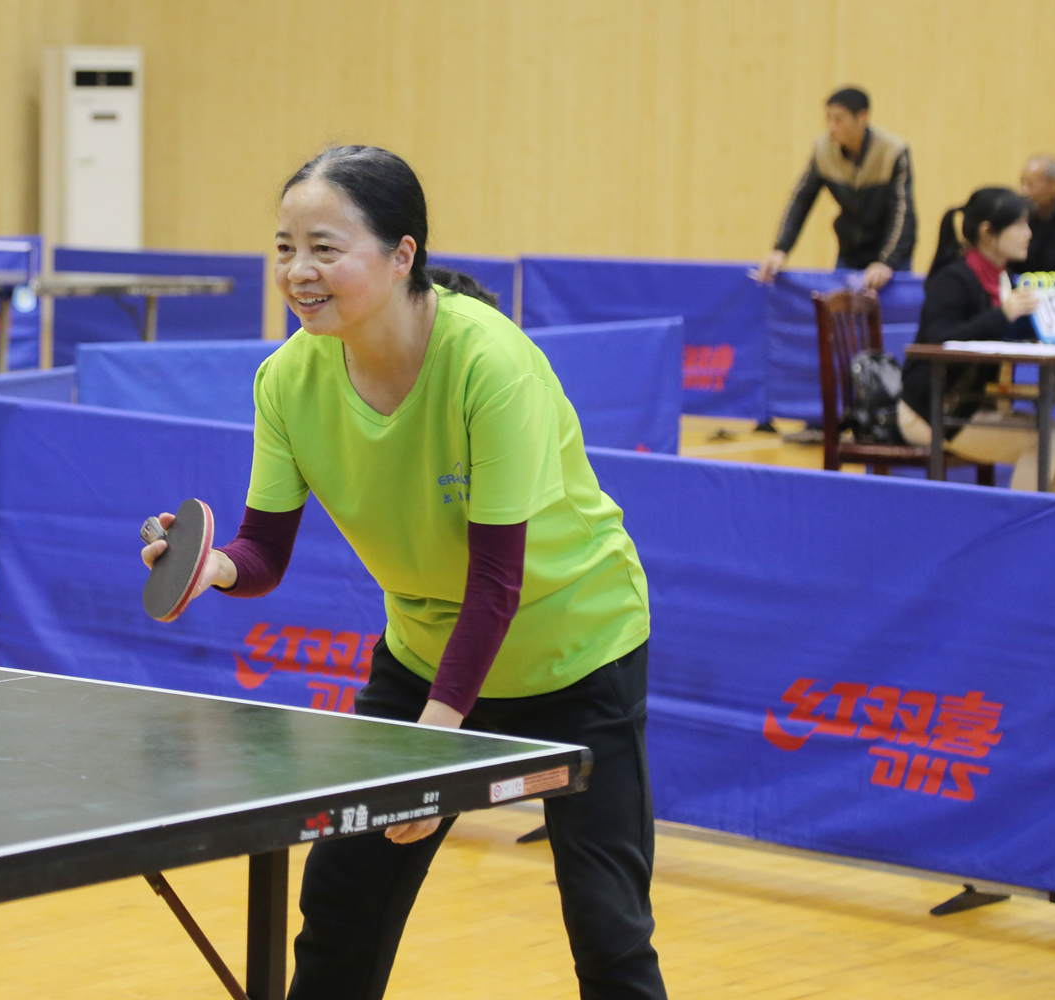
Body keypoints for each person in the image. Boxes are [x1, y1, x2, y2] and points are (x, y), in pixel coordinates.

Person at [140, 145, 664, 999]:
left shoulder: (490, 365)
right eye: (284, 248)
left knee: (608, 931)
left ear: (401, 254)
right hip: (426, 655)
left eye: (324, 248)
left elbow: (496, 583)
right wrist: (213, 570)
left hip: (575, 652)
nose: (298, 271)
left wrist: (432, 750)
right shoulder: (286, 380)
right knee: (342, 904)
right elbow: (263, 549)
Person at [898, 187, 1055, 492]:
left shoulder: (1003, 279)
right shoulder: (952, 280)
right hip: (931, 412)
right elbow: (938, 339)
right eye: (1020, 225)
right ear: (987, 233)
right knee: (1047, 442)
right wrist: (1003, 315)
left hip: (975, 407)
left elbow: (1008, 333)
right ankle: (1019, 524)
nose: (1029, 234)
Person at [754, 87, 916, 291]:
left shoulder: (893, 151)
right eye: (828, 119)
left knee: (888, 312)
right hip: (850, 252)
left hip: (891, 257)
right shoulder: (823, 150)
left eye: (838, 120)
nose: (831, 126)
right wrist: (780, 249)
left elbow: (903, 211)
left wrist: (886, 262)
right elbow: (801, 199)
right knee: (840, 309)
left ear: (862, 118)